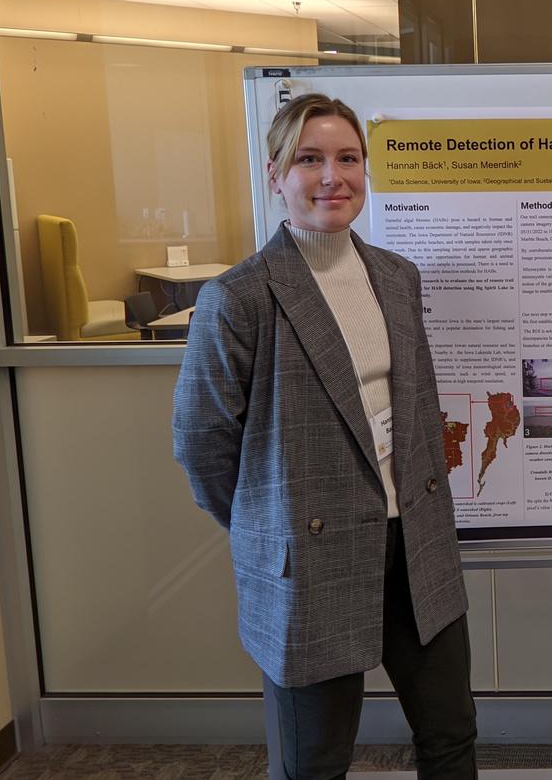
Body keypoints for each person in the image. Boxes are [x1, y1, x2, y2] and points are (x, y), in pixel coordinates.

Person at [172, 93, 477, 780]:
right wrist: (270, 524)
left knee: (452, 734)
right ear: (276, 175)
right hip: (313, 559)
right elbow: (201, 442)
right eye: (310, 159)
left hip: (414, 543)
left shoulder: (397, 277)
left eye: (348, 158)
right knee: (315, 760)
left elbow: (418, 411)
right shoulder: (240, 297)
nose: (332, 177)